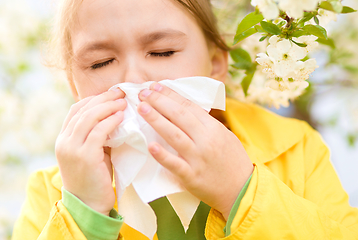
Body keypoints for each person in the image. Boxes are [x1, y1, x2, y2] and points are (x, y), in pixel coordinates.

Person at [12, 0, 358, 239]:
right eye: (100, 62)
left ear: (216, 65)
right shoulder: (54, 192)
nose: (134, 77)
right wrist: (83, 213)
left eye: (162, 52)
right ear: (75, 88)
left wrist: (240, 190)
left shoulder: (295, 150)